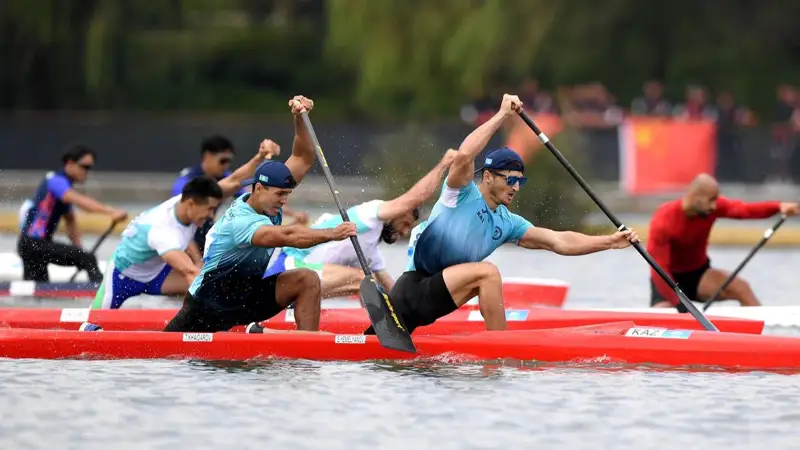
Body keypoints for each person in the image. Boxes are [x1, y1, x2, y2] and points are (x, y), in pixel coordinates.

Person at [366, 94, 640, 335]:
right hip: (413, 288)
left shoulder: (508, 223)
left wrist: (610, 242)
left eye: (520, 181)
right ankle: (500, 347)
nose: (516, 187)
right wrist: (502, 115)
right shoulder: (460, 194)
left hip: (436, 297)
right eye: (510, 180)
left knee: (487, 276)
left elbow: (559, 241)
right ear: (487, 176)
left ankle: (495, 346)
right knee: (488, 273)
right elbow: (463, 156)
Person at [163, 95, 358, 333]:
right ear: (258, 188)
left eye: (287, 193)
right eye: (280, 195)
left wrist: (299, 118)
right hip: (208, 307)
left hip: (249, 297)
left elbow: (303, 157)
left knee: (306, 279)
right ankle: (258, 333)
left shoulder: (271, 194)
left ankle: (308, 348)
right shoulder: (241, 221)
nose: (284, 200)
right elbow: (288, 235)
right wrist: (332, 234)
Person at [266, 149, 459, 298]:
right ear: (397, 213)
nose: (406, 231)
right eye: (406, 223)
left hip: (301, 279)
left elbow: (391, 291)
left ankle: (373, 333)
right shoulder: (370, 212)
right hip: (286, 269)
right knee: (362, 280)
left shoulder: (371, 251)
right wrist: (444, 165)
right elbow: (413, 199)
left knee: (371, 286)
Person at [648, 173, 799, 311]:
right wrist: (679, 305)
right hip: (667, 280)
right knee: (663, 312)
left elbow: (744, 210)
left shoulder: (711, 208)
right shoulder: (664, 221)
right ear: (695, 197)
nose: (715, 206)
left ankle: (763, 338)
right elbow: (658, 270)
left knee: (741, 288)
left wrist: (778, 207)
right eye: (711, 200)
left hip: (699, 276)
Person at [91, 176, 223, 309]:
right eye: (209, 209)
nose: (211, 215)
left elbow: (233, 181)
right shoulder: (161, 229)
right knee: (92, 323)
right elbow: (191, 273)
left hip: (157, 273)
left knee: (213, 282)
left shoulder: (187, 203)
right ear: (190, 204)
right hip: (123, 277)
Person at [172, 135, 309, 253]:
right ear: (207, 156)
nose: (226, 166)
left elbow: (255, 196)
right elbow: (180, 224)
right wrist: (196, 261)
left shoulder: (224, 176)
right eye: (222, 161)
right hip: (185, 236)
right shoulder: (187, 181)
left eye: (229, 161)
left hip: (205, 232)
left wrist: (292, 214)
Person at [17, 145, 128, 283]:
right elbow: (79, 200)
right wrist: (111, 212)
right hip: (33, 244)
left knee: (38, 289)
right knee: (89, 259)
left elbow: (70, 222)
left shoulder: (63, 189)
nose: (87, 172)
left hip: (33, 246)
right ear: (70, 163)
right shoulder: (55, 181)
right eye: (84, 166)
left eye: (89, 168)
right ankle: (101, 296)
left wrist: (78, 250)